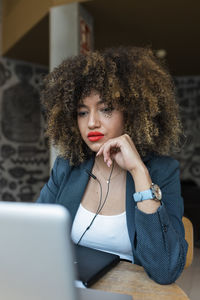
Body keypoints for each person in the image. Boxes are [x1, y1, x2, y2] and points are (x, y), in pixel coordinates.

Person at [37, 46, 188, 284]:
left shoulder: (161, 171)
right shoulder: (67, 167)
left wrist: (139, 172)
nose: (92, 122)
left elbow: (165, 270)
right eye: (82, 112)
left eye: (106, 109)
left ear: (132, 113)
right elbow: (35, 236)